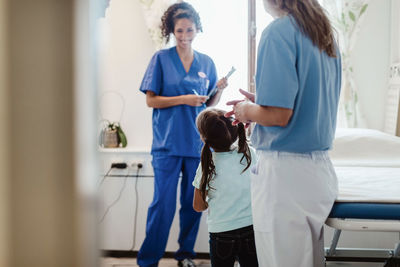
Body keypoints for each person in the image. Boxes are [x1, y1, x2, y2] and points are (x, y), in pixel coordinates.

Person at [225, 0, 342, 266]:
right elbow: (308, 103)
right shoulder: (324, 35)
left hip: (285, 175)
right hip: (318, 172)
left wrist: (246, 110)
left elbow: (278, 115)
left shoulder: (278, 32)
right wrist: (261, 102)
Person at [137, 2, 228, 267]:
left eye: (190, 30)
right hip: (166, 144)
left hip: (197, 144)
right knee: (161, 206)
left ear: (197, 29)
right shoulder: (161, 59)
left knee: (192, 205)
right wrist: (183, 99)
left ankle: (185, 255)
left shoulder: (206, 62)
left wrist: (219, 90)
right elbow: (151, 101)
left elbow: (207, 104)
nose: (185, 35)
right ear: (171, 30)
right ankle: (148, 260)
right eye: (179, 30)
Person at [192, 108, 258, 267]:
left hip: (221, 234)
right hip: (251, 229)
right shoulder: (250, 154)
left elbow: (198, 206)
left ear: (203, 137)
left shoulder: (207, 164)